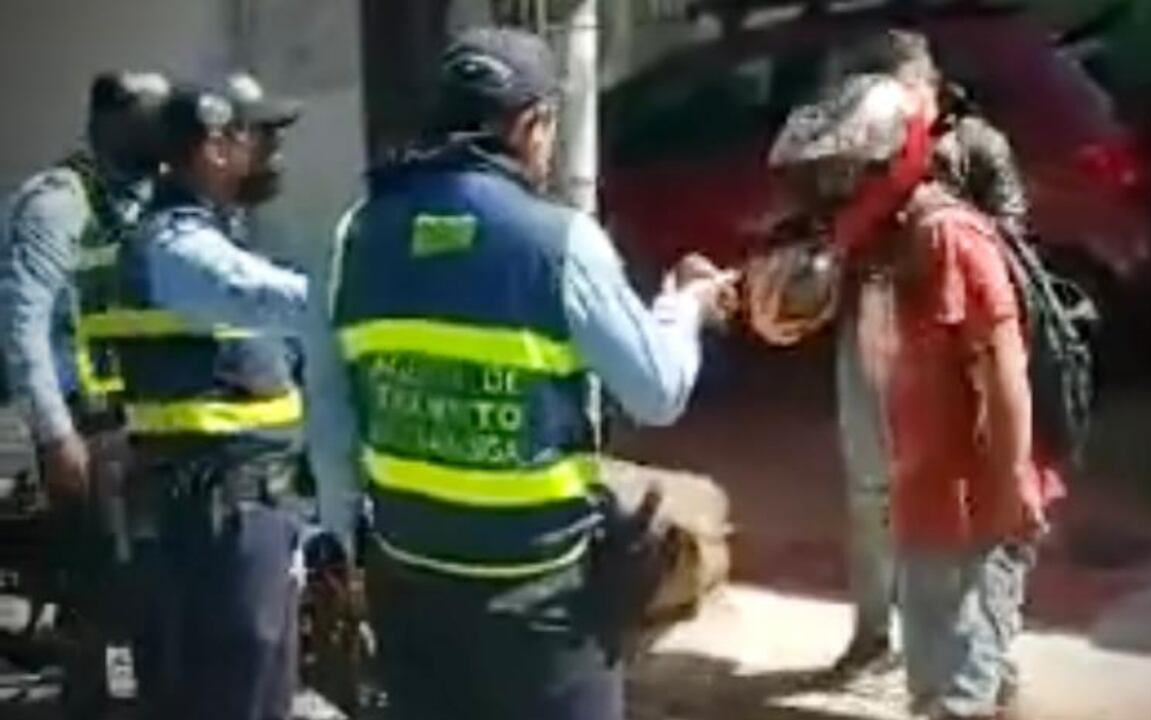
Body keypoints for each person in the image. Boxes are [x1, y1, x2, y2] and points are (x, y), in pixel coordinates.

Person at [318, 27, 736, 720]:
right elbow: (657, 392)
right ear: (533, 125)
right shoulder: (560, 241)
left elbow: (331, 417)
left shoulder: (357, 233)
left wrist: (346, 546)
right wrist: (684, 306)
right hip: (541, 607)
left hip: (408, 589)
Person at [822, 28, 1033, 679]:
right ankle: (873, 635)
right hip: (872, 323)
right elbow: (820, 230)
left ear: (927, 88)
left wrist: (934, 237)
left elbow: (1012, 240)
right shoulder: (853, 149)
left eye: (900, 93)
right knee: (870, 487)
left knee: (967, 489)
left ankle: (984, 657)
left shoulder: (977, 145)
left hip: (953, 337)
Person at [106, 74, 313, 720]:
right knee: (232, 698)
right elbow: (284, 300)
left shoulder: (213, 236)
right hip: (211, 521)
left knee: (250, 694)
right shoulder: (179, 249)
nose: (274, 153)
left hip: (234, 514)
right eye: (261, 136)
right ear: (215, 147)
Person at [0, 70, 170, 719]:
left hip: (154, 422)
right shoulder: (57, 204)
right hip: (90, 427)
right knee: (101, 595)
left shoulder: (154, 196)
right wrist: (54, 434)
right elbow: (22, 326)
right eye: (151, 120)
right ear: (110, 124)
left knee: (154, 589)